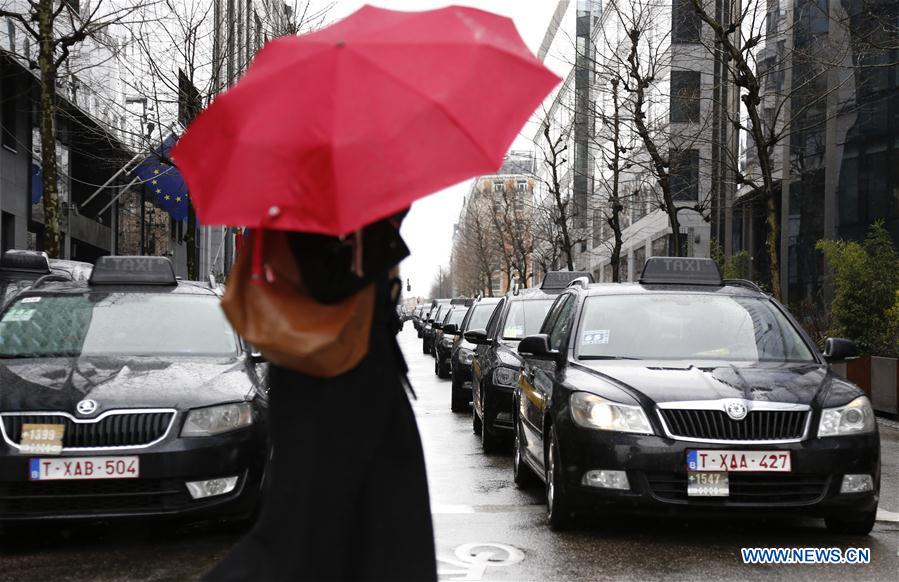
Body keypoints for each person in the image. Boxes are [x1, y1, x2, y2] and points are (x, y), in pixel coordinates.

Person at [206, 212, 437, 581]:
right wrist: (383, 231)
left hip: (327, 381)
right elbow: (330, 284)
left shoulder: (298, 217)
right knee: (348, 534)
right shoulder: (332, 220)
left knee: (328, 530)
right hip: (343, 381)